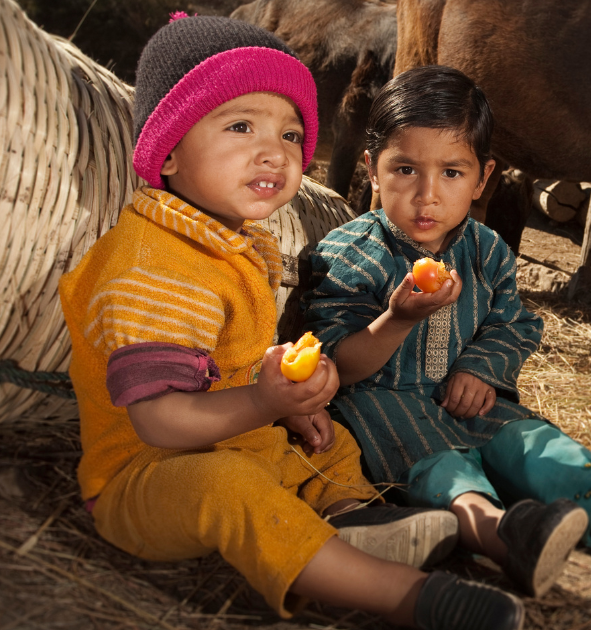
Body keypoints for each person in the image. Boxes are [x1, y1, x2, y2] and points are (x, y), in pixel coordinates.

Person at [58, 16, 525, 630]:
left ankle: (356, 518)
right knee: (227, 486)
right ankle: (404, 594)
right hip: (149, 477)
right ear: (167, 150)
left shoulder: (221, 242)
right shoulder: (152, 266)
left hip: (238, 438)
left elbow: (223, 357)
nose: (273, 151)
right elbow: (159, 420)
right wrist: (262, 398)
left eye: (289, 133)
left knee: (330, 439)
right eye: (240, 126)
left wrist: (284, 399)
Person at [303, 65, 591, 598]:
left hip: (472, 402)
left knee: (534, 442)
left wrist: (480, 368)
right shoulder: (345, 254)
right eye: (405, 169)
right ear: (373, 170)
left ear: (483, 178)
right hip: (386, 406)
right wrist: (398, 319)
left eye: (452, 173)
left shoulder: (486, 249)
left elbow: (512, 325)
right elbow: (338, 363)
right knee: (443, 470)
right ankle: (504, 537)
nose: (428, 196)